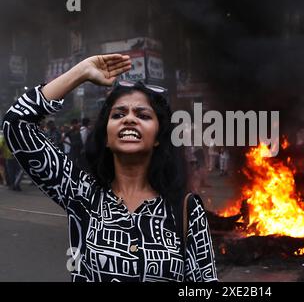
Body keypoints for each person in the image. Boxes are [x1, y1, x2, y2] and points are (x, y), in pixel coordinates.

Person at [2, 54, 217, 282]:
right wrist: (81, 72)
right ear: (106, 136)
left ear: (158, 138)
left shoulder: (186, 209)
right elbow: (16, 124)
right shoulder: (83, 193)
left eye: (143, 115)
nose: (129, 119)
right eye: (118, 114)